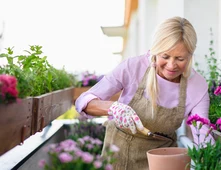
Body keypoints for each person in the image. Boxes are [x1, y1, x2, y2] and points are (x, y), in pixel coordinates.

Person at [75, 16, 213, 170]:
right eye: (165, 56)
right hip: (119, 157)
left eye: (180, 58)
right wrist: (114, 107)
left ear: (190, 56)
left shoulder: (197, 86)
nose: (171, 65)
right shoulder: (133, 67)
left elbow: (203, 135)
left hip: (164, 160)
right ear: (155, 50)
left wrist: (212, 160)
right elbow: (84, 102)